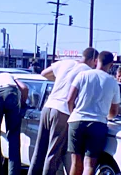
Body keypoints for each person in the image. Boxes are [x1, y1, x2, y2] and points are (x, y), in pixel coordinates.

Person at [28, 47, 99, 175]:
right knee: (53, 153)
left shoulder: (66, 62)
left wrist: (60, 80)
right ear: (94, 60)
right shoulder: (87, 72)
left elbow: (44, 73)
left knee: (39, 150)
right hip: (62, 111)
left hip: (48, 106)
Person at [66, 51, 121, 175]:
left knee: (75, 162)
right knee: (89, 164)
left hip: (77, 120)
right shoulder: (112, 82)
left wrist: (72, 113)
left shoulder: (83, 75)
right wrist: (108, 116)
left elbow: (69, 99)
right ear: (111, 65)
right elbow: (114, 111)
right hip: (97, 124)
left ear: (97, 61)